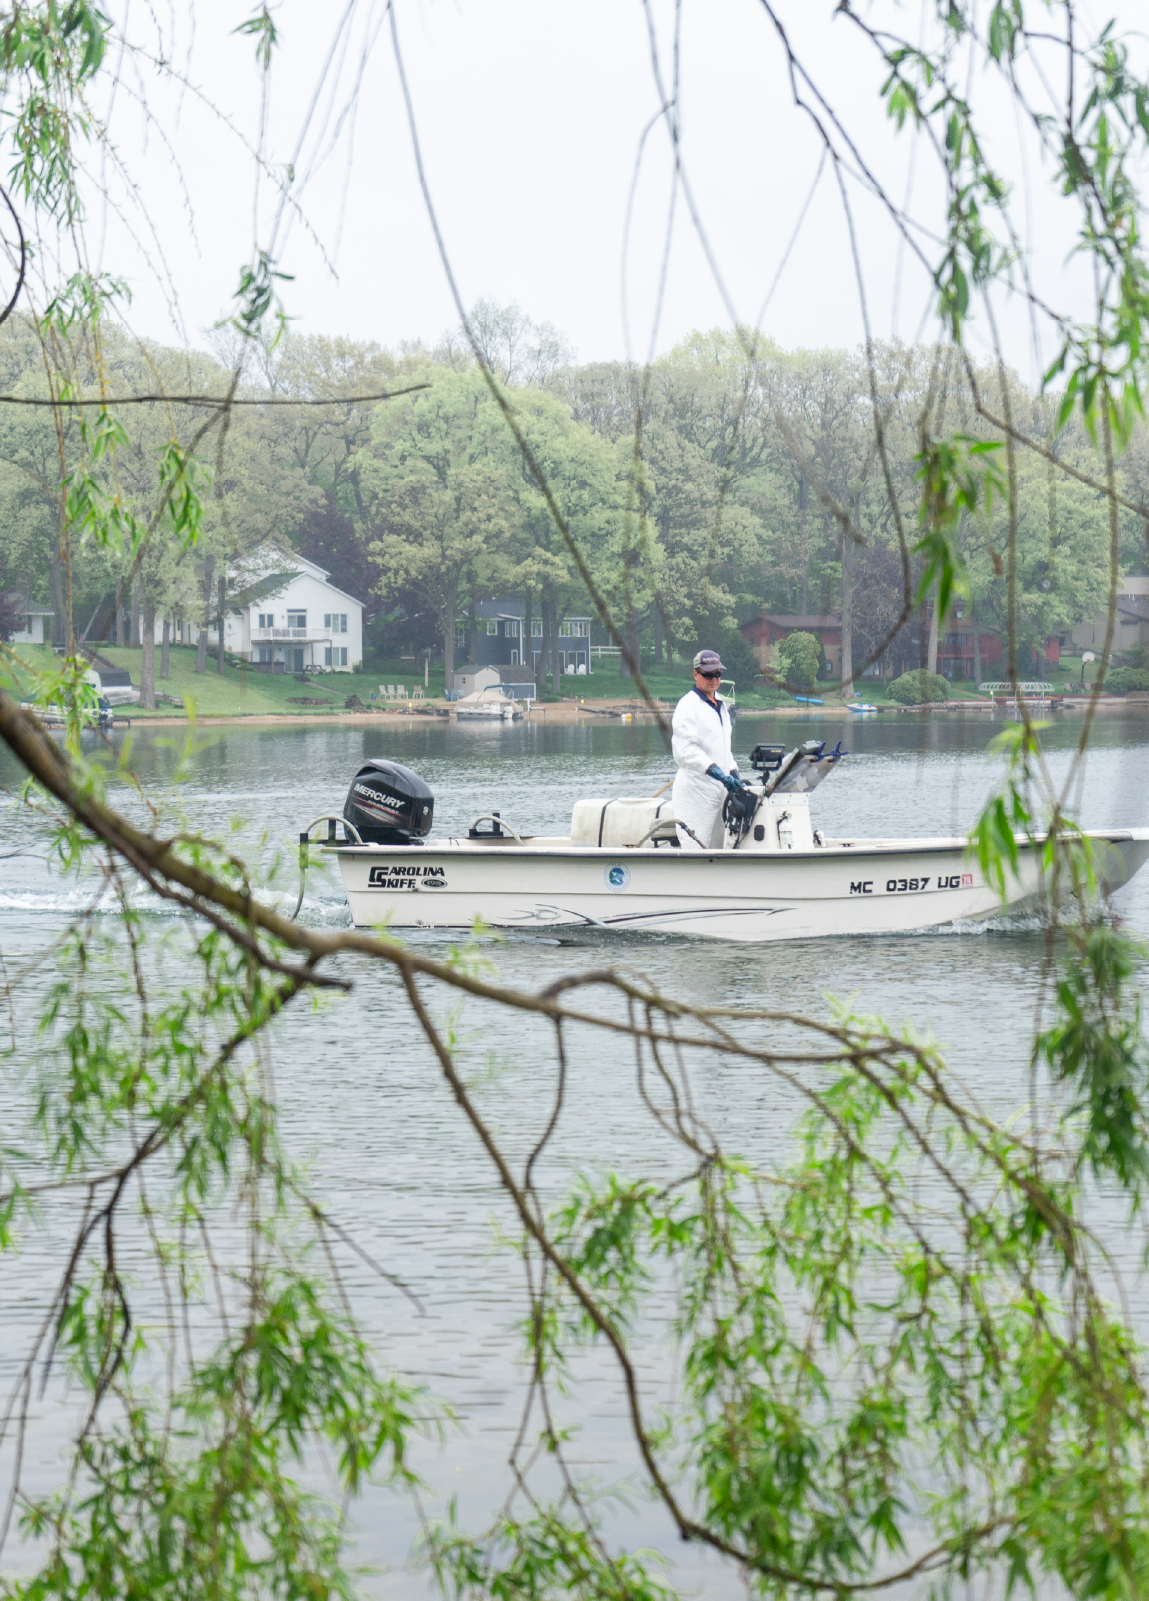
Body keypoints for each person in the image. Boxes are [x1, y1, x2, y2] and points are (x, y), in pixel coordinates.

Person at [671, 649, 744, 849]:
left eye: (717, 674)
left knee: (723, 847)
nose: (713, 679)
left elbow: (723, 747)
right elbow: (686, 751)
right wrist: (717, 772)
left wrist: (734, 773)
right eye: (708, 674)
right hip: (696, 793)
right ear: (696, 674)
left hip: (720, 793)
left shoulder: (721, 704)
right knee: (697, 848)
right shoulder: (687, 706)